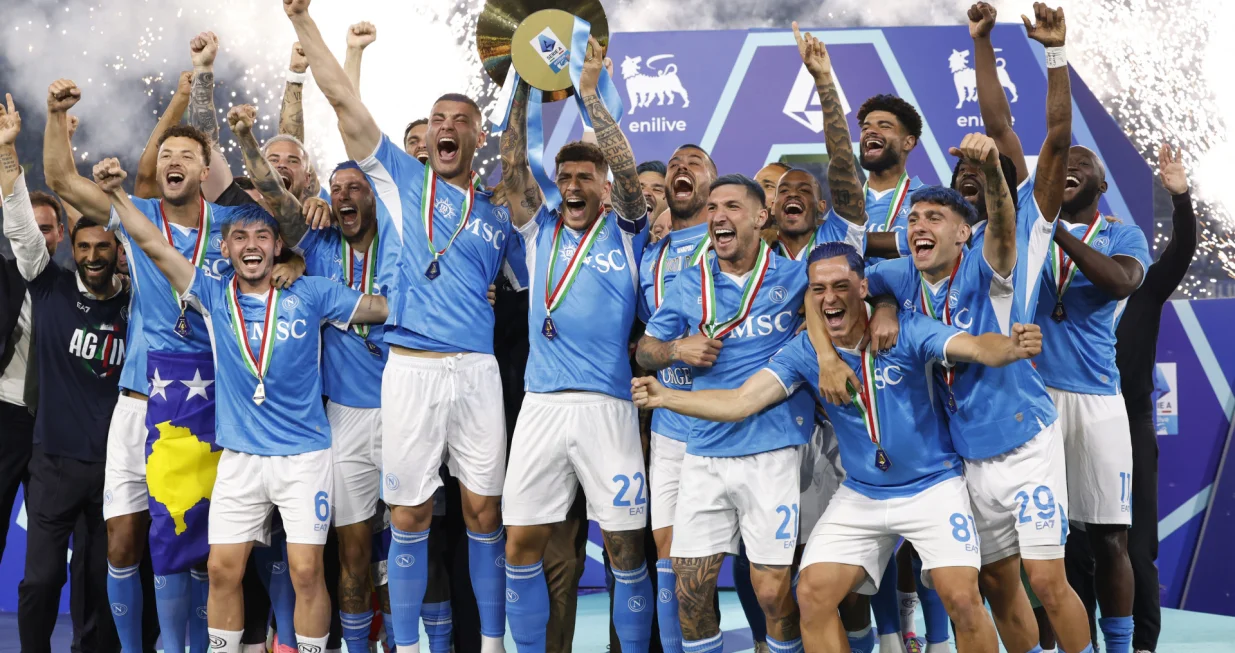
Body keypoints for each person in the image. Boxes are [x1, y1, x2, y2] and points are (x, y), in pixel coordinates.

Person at [638, 241, 1045, 653]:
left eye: (840, 285)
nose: (830, 297)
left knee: (960, 595)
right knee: (812, 595)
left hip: (932, 487)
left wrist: (1011, 348)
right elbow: (741, 400)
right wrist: (665, 397)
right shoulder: (804, 353)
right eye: (818, 290)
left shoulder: (904, 328)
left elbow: (974, 347)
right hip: (862, 493)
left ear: (864, 287)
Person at [285, 2, 512, 651]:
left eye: (458, 121)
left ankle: (487, 644)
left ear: (476, 137)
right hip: (399, 379)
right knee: (395, 527)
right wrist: (304, 24)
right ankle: (406, 645)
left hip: (473, 372)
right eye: (435, 121)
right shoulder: (398, 185)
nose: (444, 129)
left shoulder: (499, 213)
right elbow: (344, 104)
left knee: (478, 516)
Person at [93, 154, 388, 653]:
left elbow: (382, 309)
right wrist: (120, 196)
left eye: (262, 238)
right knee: (221, 568)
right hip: (240, 458)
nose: (252, 246)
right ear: (225, 248)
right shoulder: (210, 293)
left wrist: (463, 299)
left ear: (277, 246)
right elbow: (152, 244)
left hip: (303, 457)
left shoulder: (312, 292)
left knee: (306, 570)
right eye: (241, 238)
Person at [497, 35, 654, 653]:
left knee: (624, 548)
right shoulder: (539, 234)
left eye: (584, 176)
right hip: (541, 407)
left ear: (605, 185)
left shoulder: (628, 232)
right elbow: (513, 165)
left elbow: (627, 167)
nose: (570, 184)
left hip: (607, 407)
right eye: (563, 176)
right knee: (519, 546)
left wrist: (589, 96)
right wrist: (521, 85)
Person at [636, 174, 814, 653]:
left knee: (774, 592)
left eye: (732, 206)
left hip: (770, 451)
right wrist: (676, 348)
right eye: (713, 207)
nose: (718, 216)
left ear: (761, 217)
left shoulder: (796, 277)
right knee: (689, 592)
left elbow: (864, 282)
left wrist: (880, 306)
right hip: (704, 449)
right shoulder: (690, 281)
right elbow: (646, 350)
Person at [1, 94, 130, 653]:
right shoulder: (48, 287)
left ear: (119, 250)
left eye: (105, 246)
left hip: (115, 467)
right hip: (53, 464)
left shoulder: (139, 302)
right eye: (84, 247)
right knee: (40, 581)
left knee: (102, 584)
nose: (94, 255)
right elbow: (22, 227)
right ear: (72, 250)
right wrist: (7, 152)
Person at [1030, 137, 1150, 653]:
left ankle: (1119, 647)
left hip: (1098, 399)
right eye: (1064, 164)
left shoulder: (1123, 234)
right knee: (1040, 541)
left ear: (1101, 186)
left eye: (1084, 166)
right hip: (1033, 396)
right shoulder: (1028, 232)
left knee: (1109, 537)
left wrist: (1054, 229)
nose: (1071, 168)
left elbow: (1120, 281)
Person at [1106, 144, 1194, 653]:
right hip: (1074, 422)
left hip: (1132, 423)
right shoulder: (1066, 293)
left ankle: (1142, 646)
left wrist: (1179, 197)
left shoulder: (1147, 289)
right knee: (1079, 549)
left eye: (1121, 240)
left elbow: (1181, 251)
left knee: (1138, 549)